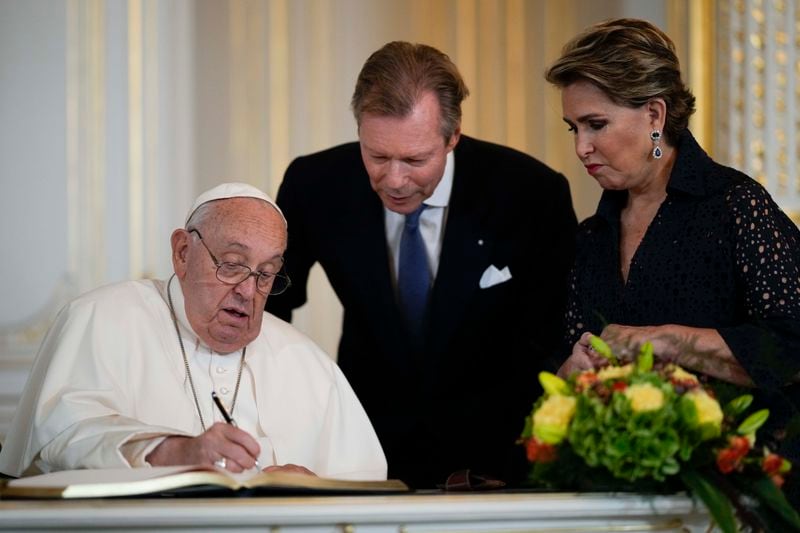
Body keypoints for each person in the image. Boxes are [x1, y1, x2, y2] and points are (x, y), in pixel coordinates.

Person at [266, 41, 578, 488]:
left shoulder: (530, 193)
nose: (394, 180)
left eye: (415, 160)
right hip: (365, 449)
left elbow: (556, 334)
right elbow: (272, 302)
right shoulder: (315, 184)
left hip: (496, 460)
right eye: (376, 156)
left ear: (452, 137)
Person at [548, 18, 800, 501]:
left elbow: (790, 346)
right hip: (614, 498)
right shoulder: (591, 236)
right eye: (573, 128)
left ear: (655, 115)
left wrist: (668, 342)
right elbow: (566, 355)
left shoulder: (734, 206)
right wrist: (571, 372)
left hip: (741, 498)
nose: (581, 147)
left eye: (596, 125)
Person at [0, 183, 387, 480]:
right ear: (183, 252)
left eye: (266, 274)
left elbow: (363, 488)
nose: (248, 291)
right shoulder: (102, 318)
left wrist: (313, 491)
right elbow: (62, 436)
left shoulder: (307, 363)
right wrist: (177, 453)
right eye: (232, 265)